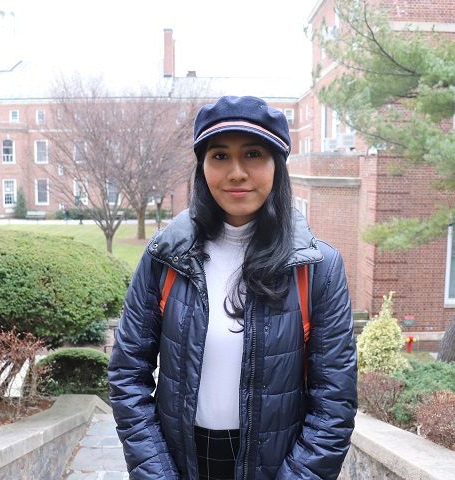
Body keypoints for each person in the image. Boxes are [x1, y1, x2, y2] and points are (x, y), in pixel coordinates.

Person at [108, 95, 357, 480]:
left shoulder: (318, 268)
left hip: (278, 467)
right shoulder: (165, 258)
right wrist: (156, 473)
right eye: (220, 156)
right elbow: (127, 374)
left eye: (254, 154)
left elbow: (334, 403)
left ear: (278, 165)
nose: (236, 172)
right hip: (180, 464)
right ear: (203, 167)